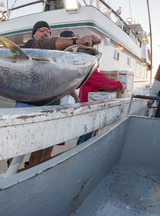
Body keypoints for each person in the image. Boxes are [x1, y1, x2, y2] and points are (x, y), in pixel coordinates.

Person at [15, 21, 100, 167]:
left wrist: (76, 97)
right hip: (27, 104)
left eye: (48, 31)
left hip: (50, 105)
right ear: (33, 34)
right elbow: (44, 45)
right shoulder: (30, 46)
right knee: (20, 146)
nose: (45, 33)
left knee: (46, 144)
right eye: (41, 30)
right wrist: (78, 40)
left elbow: (62, 79)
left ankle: (37, 170)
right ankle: (11, 171)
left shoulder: (54, 55)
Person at [76, 69, 125, 144]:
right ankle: (80, 150)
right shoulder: (91, 71)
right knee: (88, 131)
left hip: (86, 104)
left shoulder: (86, 70)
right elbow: (103, 82)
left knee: (85, 131)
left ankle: (78, 147)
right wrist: (119, 85)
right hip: (89, 106)